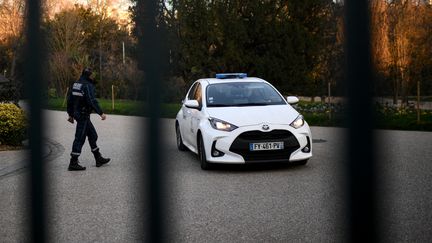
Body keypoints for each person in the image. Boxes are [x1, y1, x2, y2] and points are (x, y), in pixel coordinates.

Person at [66, 67, 110, 171]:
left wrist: (70, 114)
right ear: (88, 75)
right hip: (83, 115)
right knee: (80, 137)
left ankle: (98, 158)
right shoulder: (87, 85)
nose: (93, 76)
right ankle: (73, 162)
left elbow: (70, 100)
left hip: (78, 114)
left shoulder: (76, 84)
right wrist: (101, 113)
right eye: (91, 75)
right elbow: (91, 100)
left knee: (92, 135)